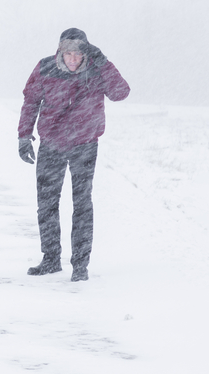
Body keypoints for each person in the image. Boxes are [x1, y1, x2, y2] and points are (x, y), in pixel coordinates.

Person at [17, 28, 130, 282]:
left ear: (85, 53)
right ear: (60, 51)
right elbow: (31, 101)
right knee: (46, 204)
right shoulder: (45, 68)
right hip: (52, 144)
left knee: (81, 205)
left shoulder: (97, 70)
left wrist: (104, 62)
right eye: (68, 53)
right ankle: (50, 259)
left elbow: (121, 92)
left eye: (78, 54)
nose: (72, 59)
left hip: (85, 144)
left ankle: (80, 265)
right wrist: (24, 136)